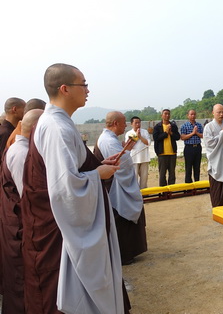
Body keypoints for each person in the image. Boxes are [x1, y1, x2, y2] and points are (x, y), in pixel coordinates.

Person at [20, 63, 127, 313]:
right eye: (83, 84)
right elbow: (64, 188)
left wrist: (98, 166)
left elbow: (74, 170)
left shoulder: (60, 122)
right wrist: (97, 174)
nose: (88, 90)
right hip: (60, 228)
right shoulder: (56, 127)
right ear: (65, 89)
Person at [0, 108, 43, 313]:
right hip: (20, 229)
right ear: (36, 128)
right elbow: (27, 197)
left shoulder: (26, 150)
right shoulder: (21, 154)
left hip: (22, 226)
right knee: (21, 283)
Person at [96, 111, 147, 265]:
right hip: (115, 187)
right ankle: (125, 254)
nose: (126, 125)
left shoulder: (110, 139)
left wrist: (126, 149)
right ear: (116, 123)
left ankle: (129, 251)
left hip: (116, 183)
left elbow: (120, 157)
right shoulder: (108, 140)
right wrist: (127, 152)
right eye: (124, 122)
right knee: (121, 218)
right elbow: (121, 164)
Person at [153, 109, 180, 186]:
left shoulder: (173, 126)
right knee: (162, 173)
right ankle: (163, 191)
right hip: (162, 153)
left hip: (172, 153)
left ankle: (171, 190)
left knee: (172, 173)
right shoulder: (157, 127)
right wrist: (165, 133)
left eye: (168, 114)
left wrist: (171, 133)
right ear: (162, 115)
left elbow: (177, 137)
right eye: (165, 114)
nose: (167, 115)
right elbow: (156, 138)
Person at [125, 116, 151, 189]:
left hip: (144, 157)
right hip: (134, 158)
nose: (138, 124)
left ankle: (144, 192)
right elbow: (129, 146)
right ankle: (135, 192)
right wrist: (136, 136)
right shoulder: (129, 133)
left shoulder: (144, 132)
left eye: (139, 123)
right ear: (131, 124)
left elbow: (148, 143)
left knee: (144, 176)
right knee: (134, 176)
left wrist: (140, 137)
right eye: (136, 123)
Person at [180, 109, 204, 183]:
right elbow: (183, 137)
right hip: (189, 148)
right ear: (188, 116)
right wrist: (193, 133)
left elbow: (203, 135)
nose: (193, 116)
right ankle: (188, 185)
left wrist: (196, 133)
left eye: (194, 114)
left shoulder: (199, 125)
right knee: (188, 167)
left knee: (197, 167)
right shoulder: (184, 126)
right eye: (191, 114)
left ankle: (197, 183)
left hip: (197, 147)